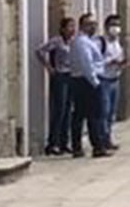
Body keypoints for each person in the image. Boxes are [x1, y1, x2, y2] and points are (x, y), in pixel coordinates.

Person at [69, 14, 113, 157]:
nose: (93, 26)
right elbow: (86, 64)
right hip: (86, 81)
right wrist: (95, 82)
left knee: (81, 114)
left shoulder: (86, 41)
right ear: (82, 25)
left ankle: (79, 147)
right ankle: (97, 146)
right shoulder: (81, 42)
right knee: (94, 114)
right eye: (90, 24)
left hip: (82, 80)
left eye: (94, 23)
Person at [35, 17, 76, 156]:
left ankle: (65, 142)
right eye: (69, 26)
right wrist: (49, 67)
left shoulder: (73, 42)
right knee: (59, 109)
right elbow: (39, 51)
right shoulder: (56, 41)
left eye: (73, 26)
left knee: (68, 109)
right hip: (60, 76)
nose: (72, 29)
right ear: (63, 28)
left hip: (71, 75)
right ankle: (53, 142)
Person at [100, 14, 127, 150]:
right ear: (106, 27)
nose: (115, 28)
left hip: (115, 79)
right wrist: (110, 62)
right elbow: (97, 62)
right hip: (104, 80)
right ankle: (102, 140)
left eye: (117, 25)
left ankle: (108, 137)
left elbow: (121, 58)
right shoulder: (101, 42)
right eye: (113, 25)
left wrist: (121, 64)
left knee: (111, 113)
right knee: (104, 111)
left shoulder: (117, 43)